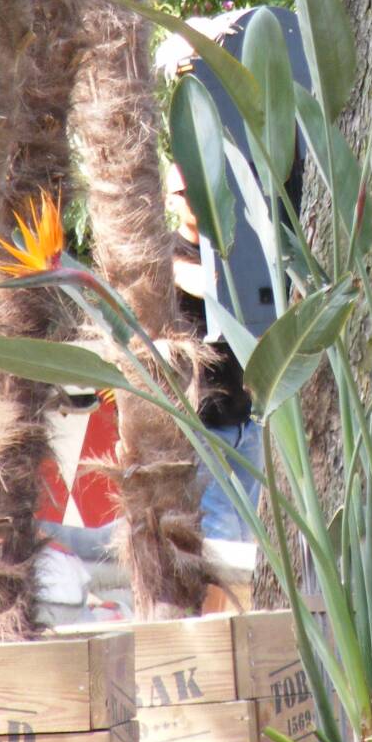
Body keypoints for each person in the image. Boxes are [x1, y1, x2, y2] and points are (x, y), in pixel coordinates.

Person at [166, 163, 263, 541]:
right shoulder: (167, 254)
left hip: (246, 420)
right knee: (222, 537)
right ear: (169, 201)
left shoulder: (233, 247)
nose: (192, 199)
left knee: (251, 537)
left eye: (198, 188)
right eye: (182, 193)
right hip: (203, 423)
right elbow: (203, 284)